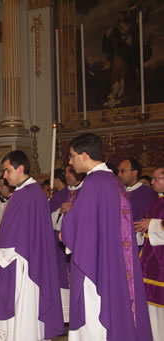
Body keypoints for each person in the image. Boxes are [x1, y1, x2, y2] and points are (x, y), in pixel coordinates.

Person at [61, 133, 152, 340]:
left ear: (84, 155)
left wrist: (63, 233)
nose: (70, 161)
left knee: (93, 315)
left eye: (72, 155)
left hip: (94, 264)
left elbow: (78, 224)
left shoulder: (94, 182)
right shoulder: (111, 179)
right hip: (109, 259)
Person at [0, 150, 64, 341]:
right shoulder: (26, 193)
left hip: (23, 263)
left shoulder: (28, 194)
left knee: (23, 309)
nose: (5, 176)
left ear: (20, 168)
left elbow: (20, 233)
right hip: (21, 259)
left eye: (7, 171)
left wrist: (0, 254)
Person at [48, 165, 85, 323]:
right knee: (61, 278)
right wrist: (58, 213)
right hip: (60, 247)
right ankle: (64, 318)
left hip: (81, 246)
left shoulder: (87, 192)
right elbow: (47, 218)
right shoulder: (60, 195)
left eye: (70, 172)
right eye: (66, 172)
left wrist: (75, 208)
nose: (67, 175)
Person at [134, 167, 164, 340]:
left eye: (156, 178)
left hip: (160, 266)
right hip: (151, 265)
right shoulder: (157, 201)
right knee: (154, 315)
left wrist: (151, 225)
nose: (152, 182)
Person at [118, 158, 157, 246]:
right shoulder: (117, 192)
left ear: (134, 173)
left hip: (138, 245)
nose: (119, 174)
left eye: (122, 171)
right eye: (118, 171)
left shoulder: (148, 194)